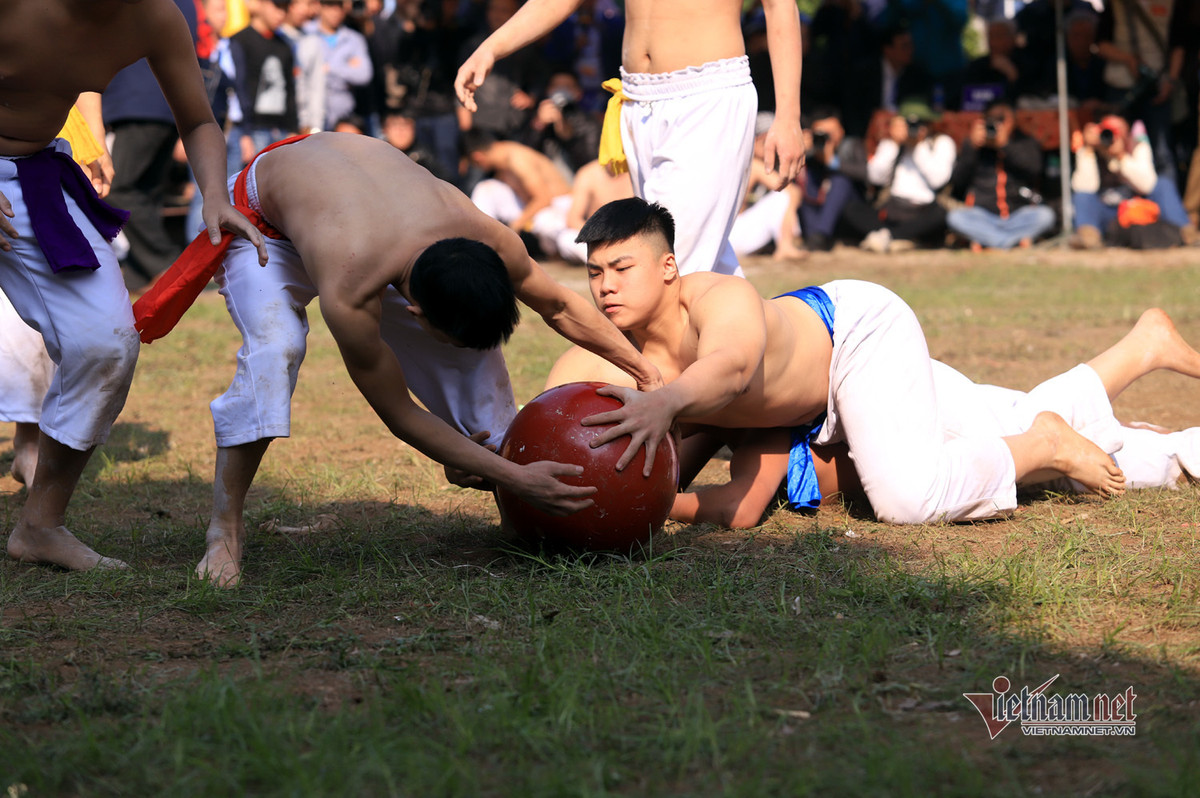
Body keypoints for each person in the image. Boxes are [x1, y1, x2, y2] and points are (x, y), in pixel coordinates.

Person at [152, 133, 660, 587]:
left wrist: (643, 370)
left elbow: (559, 305)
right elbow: (398, 412)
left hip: (360, 207)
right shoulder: (353, 286)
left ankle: (526, 520)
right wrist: (513, 474)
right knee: (275, 349)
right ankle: (225, 530)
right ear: (413, 312)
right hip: (264, 220)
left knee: (479, 384)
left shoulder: (487, 235)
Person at [545, 197, 1130, 528]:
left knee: (908, 497)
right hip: (808, 411)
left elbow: (732, 366)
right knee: (992, 419)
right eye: (595, 273)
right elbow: (548, 419)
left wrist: (665, 405)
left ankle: (1044, 444)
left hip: (856, 338)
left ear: (668, 267)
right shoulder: (608, 351)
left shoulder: (719, 298)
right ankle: (1146, 375)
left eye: (622, 269)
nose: (606, 286)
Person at [0, 0, 268, 573]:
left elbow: (198, 120)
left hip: (36, 178)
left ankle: (41, 525)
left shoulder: (155, 17)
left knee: (106, 344)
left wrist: (214, 197)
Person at [546, 307, 1200, 528]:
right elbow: (672, 467)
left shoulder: (746, 412)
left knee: (1052, 450)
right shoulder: (707, 418)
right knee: (1026, 421)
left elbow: (739, 507)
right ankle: (1144, 357)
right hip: (907, 400)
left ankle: (1164, 414)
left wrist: (652, 507)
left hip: (907, 402)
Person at [455, 0, 804, 277]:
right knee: (704, 266)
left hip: (706, 96)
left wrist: (789, 117)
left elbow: (779, 5)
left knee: (668, 261)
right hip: (637, 101)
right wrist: (492, 47)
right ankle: (763, 343)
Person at [1069, 115, 1196, 249]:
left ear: (1127, 133)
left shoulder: (1137, 146)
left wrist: (1121, 157)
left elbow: (1148, 185)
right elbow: (1084, 188)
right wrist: (1088, 150)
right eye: (1108, 130)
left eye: (1117, 131)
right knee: (1082, 196)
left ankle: (1187, 233)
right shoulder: (1093, 150)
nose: (1112, 136)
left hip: (1139, 209)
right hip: (1109, 213)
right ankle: (1089, 238)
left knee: (1163, 185)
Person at [946, 101, 1057, 251]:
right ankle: (1012, 242)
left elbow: (1034, 170)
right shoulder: (975, 145)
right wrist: (971, 148)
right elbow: (957, 182)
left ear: (1012, 121)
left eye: (1001, 119)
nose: (997, 125)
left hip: (1019, 215)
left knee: (1045, 216)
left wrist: (1005, 145)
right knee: (955, 217)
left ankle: (989, 241)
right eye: (992, 120)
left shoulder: (1024, 142)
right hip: (982, 216)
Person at [859, 100, 956, 253]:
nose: (914, 128)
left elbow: (938, 181)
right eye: (909, 124)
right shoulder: (892, 143)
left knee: (941, 215)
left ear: (930, 123)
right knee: (852, 209)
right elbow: (875, 178)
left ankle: (888, 237)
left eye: (920, 123)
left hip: (924, 211)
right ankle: (903, 238)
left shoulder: (941, 142)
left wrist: (919, 146)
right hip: (894, 208)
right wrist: (894, 143)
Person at [462, 129, 573, 259]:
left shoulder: (517, 159)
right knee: (485, 188)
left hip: (557, 207)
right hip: (533, 207)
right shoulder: (502, 162)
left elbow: (544, 198)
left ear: (478, 157)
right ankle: (478, 243)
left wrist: (517, 224)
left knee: (545, 223)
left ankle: (558, 254)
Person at [230, 0, 298, 165]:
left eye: (285, 9)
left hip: (280, 131)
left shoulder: (285, 46)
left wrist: (293, 129)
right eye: (277, 6)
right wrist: (244, 133)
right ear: (260, 4)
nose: (281, 14)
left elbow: (289, 90)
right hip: (252, 130)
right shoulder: (241, 40)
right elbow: (238, 88)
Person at [296, 0, 373, 132]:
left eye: (339, 7)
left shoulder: (354, 39)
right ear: (319, 7)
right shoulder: (305, 33)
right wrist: (347, 67)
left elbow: (364, 75)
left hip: (343, 114)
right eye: (330, 6)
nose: (335, 12)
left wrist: (331, 68)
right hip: (309, 115)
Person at [555, 158, 635, 265]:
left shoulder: (639, 170)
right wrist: (600, 236)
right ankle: (601, 262)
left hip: (631, 237)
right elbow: (573, 219)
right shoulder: (588, 174)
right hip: (596, 237)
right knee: (566, 239)